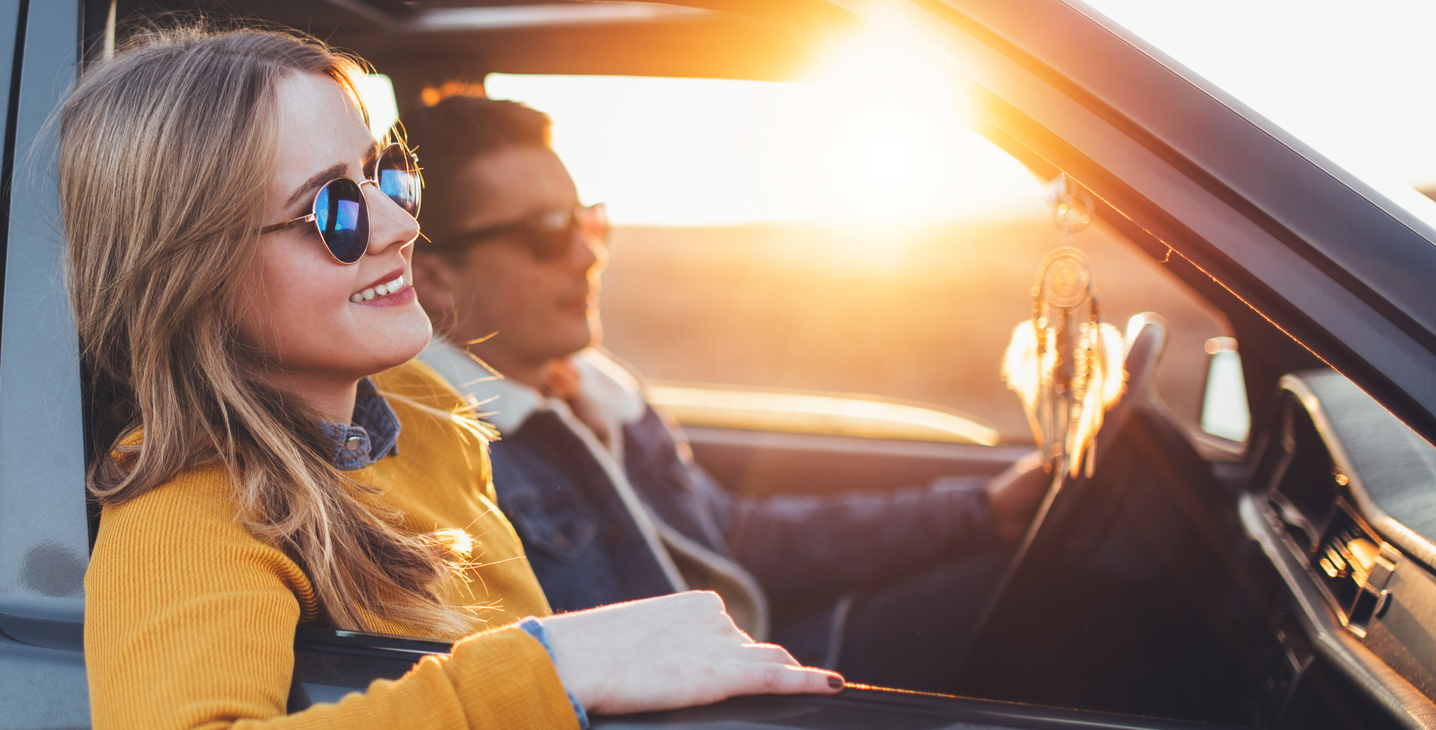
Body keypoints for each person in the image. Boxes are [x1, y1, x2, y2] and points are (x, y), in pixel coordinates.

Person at [62, 28, 845, 730]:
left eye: (384, 176)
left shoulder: (425, 408)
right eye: (336, 209)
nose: (402, 227)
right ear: (195, 271)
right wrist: (552, 669)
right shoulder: (185, 511)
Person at [404, 96, 1049, 690]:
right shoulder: (449, 452)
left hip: (751, 656)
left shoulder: (592, 388)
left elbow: (732, 539)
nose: (586, 255)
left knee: (1018, 585)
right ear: (434, 277)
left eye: (589, 221)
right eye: (546, 232)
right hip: (710, 703)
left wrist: (982, 512)